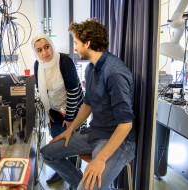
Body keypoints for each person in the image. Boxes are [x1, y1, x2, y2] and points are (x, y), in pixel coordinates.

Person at [40, 19, 136, 190]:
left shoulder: (115, 72)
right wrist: (70, 130)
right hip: (95, 133)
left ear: (88, 43)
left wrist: (100, 159)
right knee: (47, 154)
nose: (75, 48)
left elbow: (126, 124)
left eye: (76, 43)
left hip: (118, 140)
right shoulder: (90, 69)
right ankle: (81, 186)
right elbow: (87, 105)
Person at [32, 33, 84, 184]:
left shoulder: (64, 61)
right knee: (56, 141)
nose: (44, 53)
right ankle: (62, 172)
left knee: (72, 143)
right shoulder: (37, 65)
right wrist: (47, 113)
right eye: (39, 50)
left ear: (51, 45)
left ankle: (75, 178)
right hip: (53, 110)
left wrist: (69, 117)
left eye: (46, 47)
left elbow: (74, 90)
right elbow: (39, 89)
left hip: (73, 107)